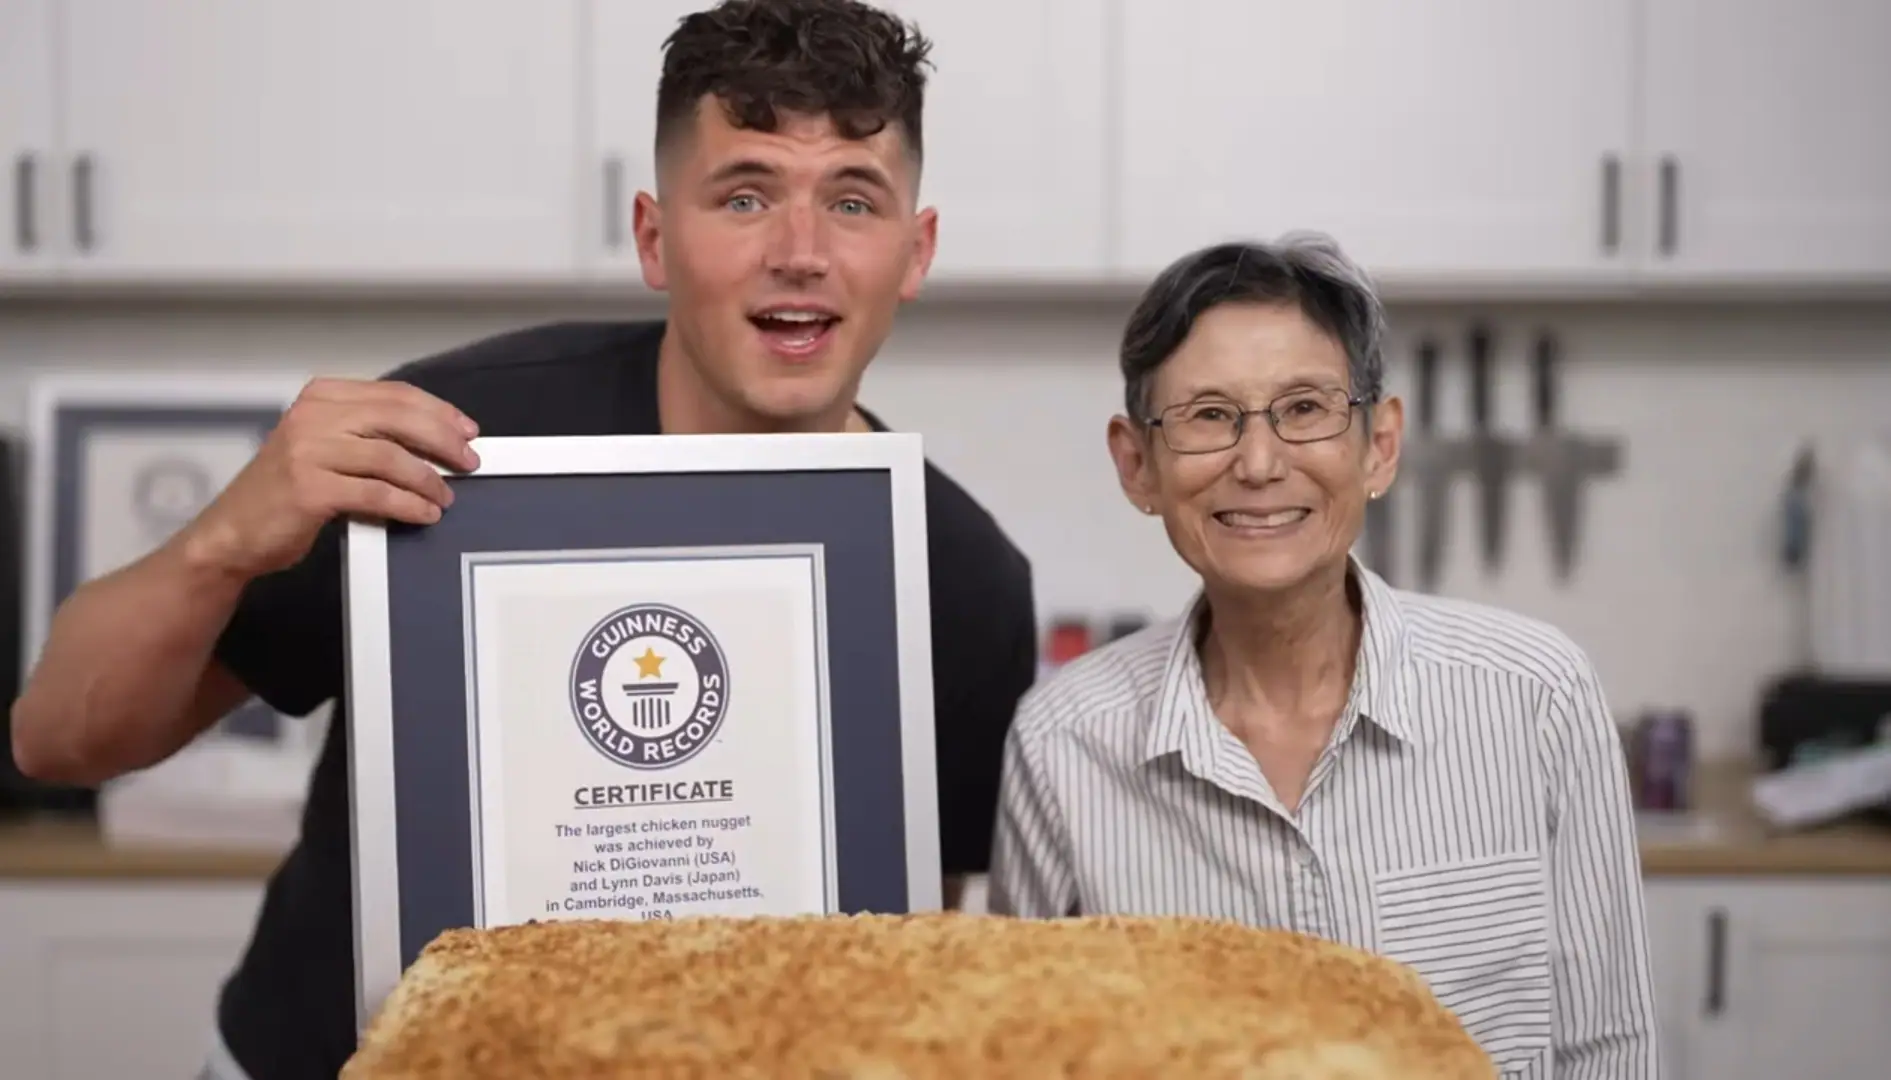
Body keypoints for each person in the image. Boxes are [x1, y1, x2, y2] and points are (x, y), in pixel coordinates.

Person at [8, 2, 1038, 1078]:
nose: (801, 252)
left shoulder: (960, 581)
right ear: (652, 236)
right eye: (744, 194)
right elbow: (58, 741)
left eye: (853, 201)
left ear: (913, 253)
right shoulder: (442, 441)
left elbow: (910, 949)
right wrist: (224, 537)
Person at [986, 236, 1659, 1077]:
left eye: (1304, 409)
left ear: (1378, 444)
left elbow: (1606, 1046)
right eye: (1207, 416)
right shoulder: (1061, 744)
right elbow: (1026, 1055)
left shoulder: (1536, 698)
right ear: (1137, 466)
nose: (1259, 464)